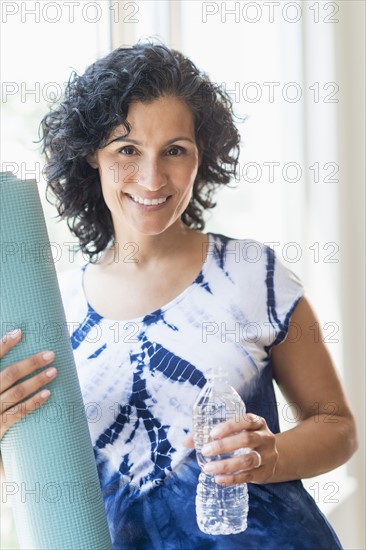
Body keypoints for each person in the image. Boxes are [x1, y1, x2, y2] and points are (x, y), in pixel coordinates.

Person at [0, 41, 357, 549]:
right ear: (91, 158)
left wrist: (269, 454)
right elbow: (40, 488)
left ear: (200, 156)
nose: (152, 178)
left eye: (175, 150)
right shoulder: (53, 313)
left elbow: (337, 426)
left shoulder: (253, 273)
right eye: (127, 150)